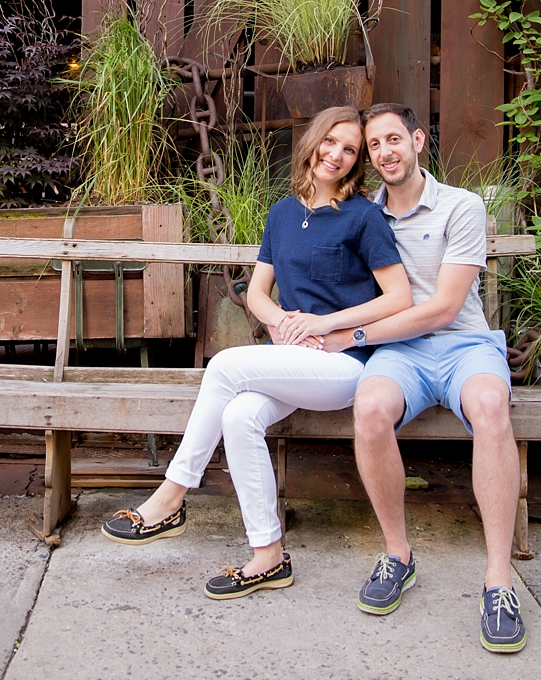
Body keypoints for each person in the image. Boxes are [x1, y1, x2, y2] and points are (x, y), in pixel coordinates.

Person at [102, 106, 413, 601]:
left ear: (357, 162)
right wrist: (280, 321)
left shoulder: (364, 217)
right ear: (312, 142)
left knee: (224, 365)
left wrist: (323, 323)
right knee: (240, 416)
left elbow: (399, 297)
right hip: (289, 356)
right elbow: (257, 292)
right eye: (330, 142)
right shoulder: (283, 212)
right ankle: (268, 555)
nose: (336, 155)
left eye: (350, 150)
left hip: (343, 365)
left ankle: (172, 496)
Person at [313, 103, 527, 652]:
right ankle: (397, 555)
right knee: (369, 409)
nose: (384, 152)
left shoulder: (461, 206)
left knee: (490, 408)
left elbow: (444, 309)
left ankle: (499, 582)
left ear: (417, 141)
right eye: (374, 145)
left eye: (393, 140)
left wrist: (353, 338)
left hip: (463, 346)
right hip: (399, 353)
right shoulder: (363, 215)